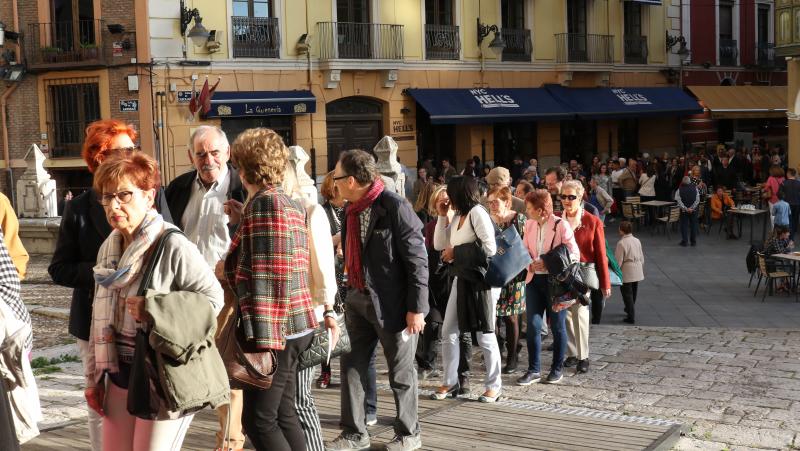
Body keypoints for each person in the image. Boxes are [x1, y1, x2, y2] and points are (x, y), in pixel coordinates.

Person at [85, 152, 226, 451]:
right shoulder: (109, 248)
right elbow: (97, 316)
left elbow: (214, 299)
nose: (114, 205)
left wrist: (156, 308)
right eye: (107, 197)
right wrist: (93, 378)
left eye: (124, 195)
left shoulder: (173, 244)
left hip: (160, 373)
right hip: (118, 375)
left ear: (149, 197)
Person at [48, 119, 157, 451]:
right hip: (94, 322)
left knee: (148, 397)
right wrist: (104, 275)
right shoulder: (79, 208)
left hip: (143, 321)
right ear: (98, 156)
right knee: (102, 404)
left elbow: (162, 244)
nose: (128, 155)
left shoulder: (149, 197)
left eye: (131, 149)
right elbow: (59, 268)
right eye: (120, 150)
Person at [223, 128, 318, 451]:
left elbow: (271, 276)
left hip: (275, 330)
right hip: (292, 326)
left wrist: (264, 345)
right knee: (282, 413)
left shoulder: (266, 206)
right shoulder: (284, 202)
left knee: (259, 420)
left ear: (245, 167)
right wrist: (242, 222)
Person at [327, 149, 427, 451]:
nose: (334, 183)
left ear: (354, 180)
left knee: (401, 372)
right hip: (357, 296)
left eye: (338, 177)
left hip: (393, 303)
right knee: (352, 367)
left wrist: (417, 308)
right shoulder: (350, 209)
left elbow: (417, 260)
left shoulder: (394, 206)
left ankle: (409, 433)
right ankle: (354, 433)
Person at [164, 125, 247, 451]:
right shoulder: (178, 188)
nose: (208, 159)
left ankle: (230, 441)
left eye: (214, 152)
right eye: (201, 154)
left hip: (227, 292)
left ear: (227, 154)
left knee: (225, 368)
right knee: (187, 367)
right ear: (191, 157)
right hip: (186, 295)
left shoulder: (243, 188)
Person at [272, 162, 341, 451]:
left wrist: (328, 310)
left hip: (307, 318)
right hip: (285, 321)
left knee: (299, 399)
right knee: (285, 403)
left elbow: (325, 267)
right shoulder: (281, 210)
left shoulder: (310, 211)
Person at [432, 176, 502, 403]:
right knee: (448, 331)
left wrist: (456, 252)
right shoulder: (459, 216)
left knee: (485, 334)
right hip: (461, 279)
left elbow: (490, 248)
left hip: (482, 283)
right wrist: (443, 216)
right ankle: (450, 380)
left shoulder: (477, 213)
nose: (447, 198)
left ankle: (494, 385)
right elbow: (439, 245)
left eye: (449, 194)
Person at [516, 190, 579, 386]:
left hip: (556, 284)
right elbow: (523, 249)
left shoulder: (561, 225)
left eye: (529, 208)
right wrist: (530, 264)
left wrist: (548, 263)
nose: (526, 212)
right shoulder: (529, 224)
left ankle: (556, 369)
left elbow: (574, 253)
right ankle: (533, 369)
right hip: (534, 281)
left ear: (541, 211)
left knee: (558, 327)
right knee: (533, 326)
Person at [417, 185, 473, 391]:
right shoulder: (431, 226)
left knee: (462, 331)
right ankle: (429, 363)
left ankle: (463, 376)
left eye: (448, 200)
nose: (446, 204)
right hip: (436, 281)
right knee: (434, 323)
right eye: (441, 201)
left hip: (458, 279)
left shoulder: (464, 222)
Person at [558, 181, 610, 375]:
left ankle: (583, 356)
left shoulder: (592, 221)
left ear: (580, 198)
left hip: (582, 273)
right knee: (567, 315)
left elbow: (601, 254)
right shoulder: (557, 219)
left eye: (571, 197)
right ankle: (571, 353)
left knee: (579, 313)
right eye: (563, 196)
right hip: (562, 273)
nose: (566, 200)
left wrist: (605, 283)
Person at [486, 186, 526, 375]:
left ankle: (512, 357)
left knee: (511, 318)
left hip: (515, 275)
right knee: (492, 318)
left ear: (507, 202)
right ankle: (497, 352)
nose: (492, 206)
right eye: (489, 202)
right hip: (494, 274)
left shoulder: (520, 219)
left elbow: (528, 247)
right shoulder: (486, 221)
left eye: (496, 202)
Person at [614, 221, 644, 324]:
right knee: (634, 292)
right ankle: (629, 309)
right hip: (637, 268)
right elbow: (641, 256)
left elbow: (618, 261)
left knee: (627, 294)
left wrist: (616, 272)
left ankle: (631, 315)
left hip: (627, 270)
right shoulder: (637, 240)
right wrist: (641, 267)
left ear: (622, 230)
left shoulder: (621, 243)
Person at [676, 176, 700, 247]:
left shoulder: (679, 190)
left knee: (684, 226)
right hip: (694, 210)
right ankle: (693, 241)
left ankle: (685, 241)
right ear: (690, 181)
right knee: (693, 225)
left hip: (684, 211)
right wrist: (692, 208)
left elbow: (678, 201)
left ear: (682, 182)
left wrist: (686, 208)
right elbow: (697, 199)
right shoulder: (695, 188)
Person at [781, 168, 800, 239]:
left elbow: (779, 194)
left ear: (788, 174)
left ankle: (789, 237)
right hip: (797, 204)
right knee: (795, 219)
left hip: (787, 204)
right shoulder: (799, 183)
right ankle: (793, 235)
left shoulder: (784, 183)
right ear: (794, 174)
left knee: (788, 220)